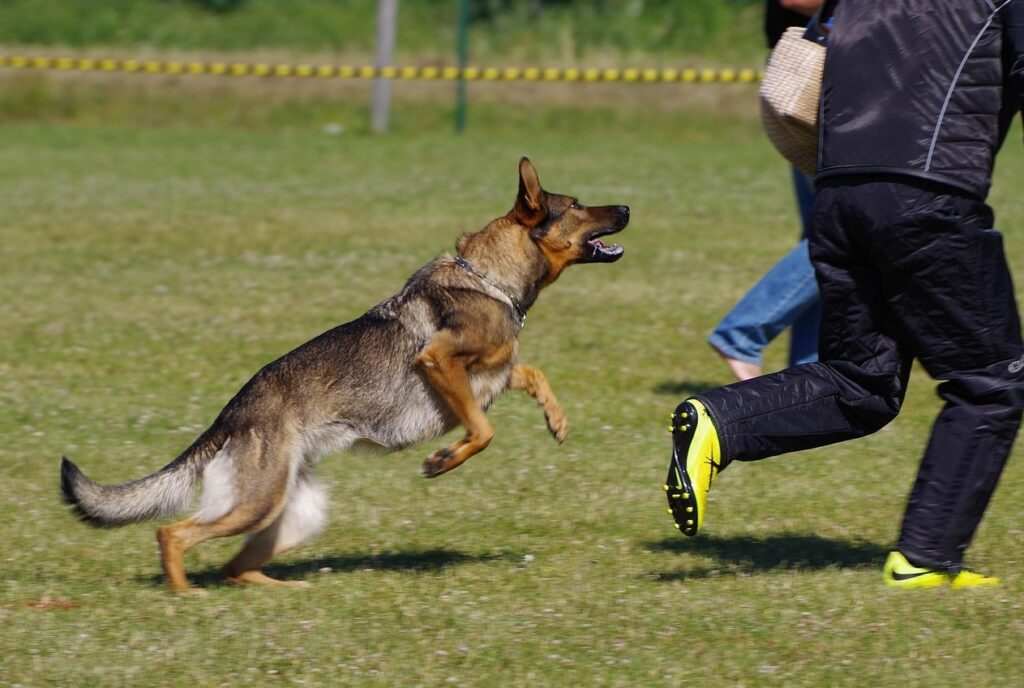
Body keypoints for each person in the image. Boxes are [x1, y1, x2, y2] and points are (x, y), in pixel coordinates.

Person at [665, 0, 1024, 588]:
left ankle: (718, 421)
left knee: (863, 381)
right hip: (927, 195)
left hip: (838, 194)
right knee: (991, 382)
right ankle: (926, 559)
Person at [707, 0, 824, 382]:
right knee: (839, 238)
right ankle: (742, 333)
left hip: (817, 77)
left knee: (822, 235)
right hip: (818, 79)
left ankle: (808, 375)